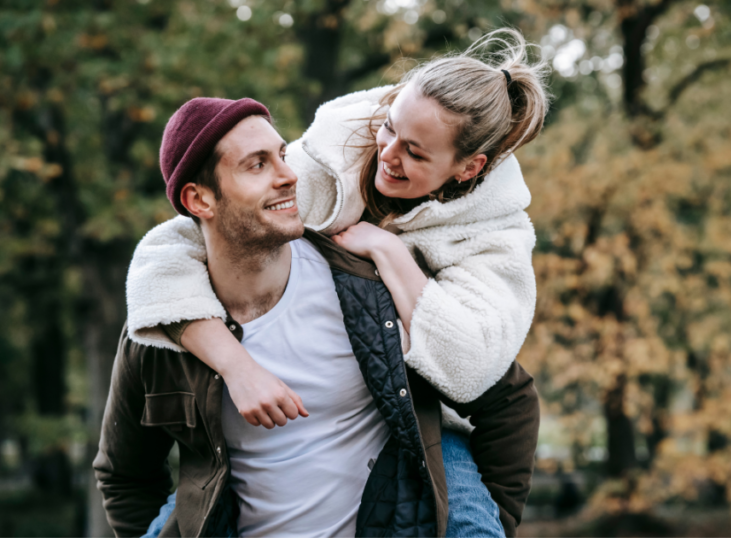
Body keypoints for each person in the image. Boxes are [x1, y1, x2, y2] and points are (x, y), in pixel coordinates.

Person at [123, 28, 545, 536]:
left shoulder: (492, 234)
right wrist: (237, 366)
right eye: (389, 128)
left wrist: (391, 253)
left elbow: (479, 374)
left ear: (467, 168)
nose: (388, 154)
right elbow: (173, 250)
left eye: (415, 153)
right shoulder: (324, 165)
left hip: (415, 418)